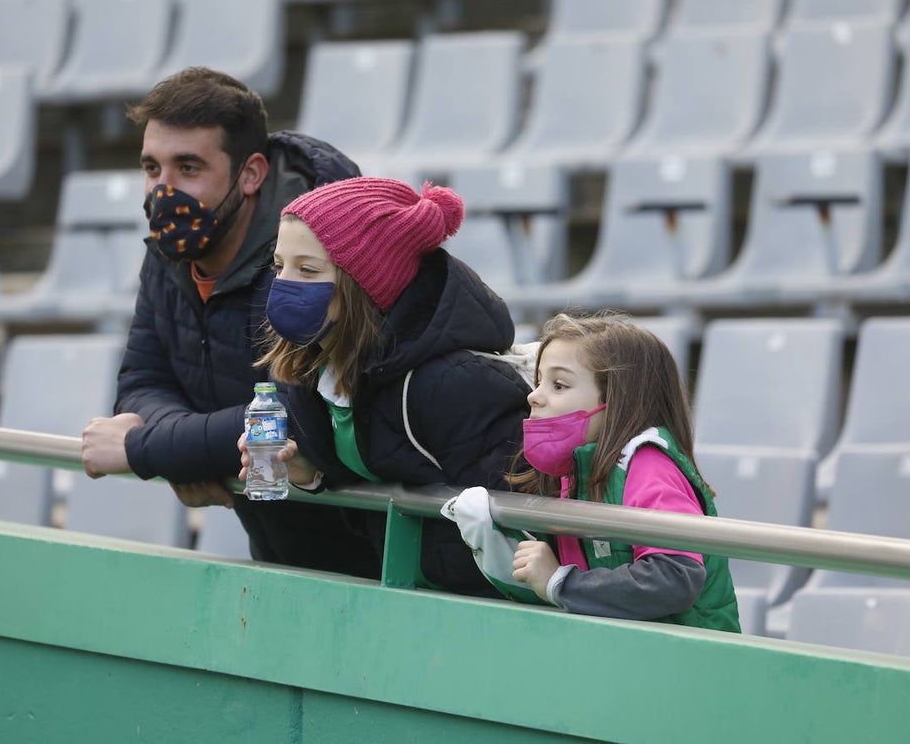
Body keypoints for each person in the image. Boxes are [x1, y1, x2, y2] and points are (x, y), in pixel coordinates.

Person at [80, 67, 381, 578]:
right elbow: (142, 381)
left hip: (382, 558)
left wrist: (144, 448)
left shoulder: (310, 260)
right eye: (152, 168)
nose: (163, 191)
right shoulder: (167, 255)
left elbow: (296, 414)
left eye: (189, 167)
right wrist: (186, 453)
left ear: (251, 174)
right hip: (282, 554)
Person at [240, 176, 533, 596]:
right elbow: (378, 461)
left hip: (473, 605)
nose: (284, 283)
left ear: (365, 282)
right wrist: (308, 473)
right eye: (278, 265)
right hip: (404, 594)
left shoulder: (453, 384)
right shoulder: (315, 366)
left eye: (307, 269)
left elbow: (512, 521)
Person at [468, 312, 739, 630]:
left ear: (618, 399)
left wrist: (560, 583)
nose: (534, 395)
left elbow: (675, 576)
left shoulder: (648, 464)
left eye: (558, 384)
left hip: (690, 664)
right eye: (539, 381)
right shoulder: (574, 470)